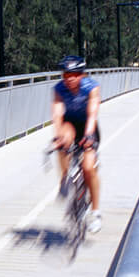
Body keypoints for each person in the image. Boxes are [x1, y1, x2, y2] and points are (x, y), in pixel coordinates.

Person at [52, 55, 103, 234]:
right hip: (69, 124)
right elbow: (58, 114)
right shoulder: (59, 88)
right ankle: (65, 178)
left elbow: (92, 113)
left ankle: (95, 212)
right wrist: (58, 135)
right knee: (62, 140)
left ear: (82, 75)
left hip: (88, 127)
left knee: (88, 168)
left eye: (74, 74)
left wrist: (89, 135)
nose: (70, 79)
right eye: (66, 75)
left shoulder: (91, 87)